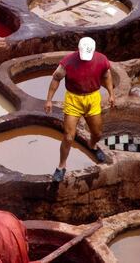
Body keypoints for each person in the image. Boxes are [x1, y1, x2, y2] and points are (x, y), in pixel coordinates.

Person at [45, 37, 115, 183]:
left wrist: (111, 94)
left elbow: (107, 76)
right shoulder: (68, 62)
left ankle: (92, 145)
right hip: (74, 99)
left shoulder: (101, 60)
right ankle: (61, 166)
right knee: (69, 136)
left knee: (97, 133)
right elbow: (56, 78)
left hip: (92, 98)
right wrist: (49, 100)